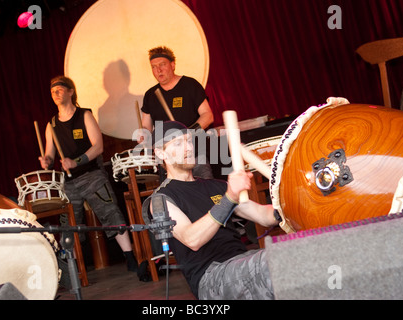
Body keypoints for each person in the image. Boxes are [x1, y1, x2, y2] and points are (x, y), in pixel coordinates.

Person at [146, 121, 280, 299]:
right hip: (211, 278)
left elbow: (263, 216)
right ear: (161, 153)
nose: (188, 148)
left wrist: (287, 204)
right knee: (274, 264)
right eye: (178, 143)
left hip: (243, 261)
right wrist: (230, 197)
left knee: (294, 255)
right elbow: (192, 239)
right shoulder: (161, 198)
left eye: (189, 141)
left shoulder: (216, 186)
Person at [39, 75, 137, 272]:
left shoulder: (84, 115)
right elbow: (49, 155)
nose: (56, 93)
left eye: (59, 89)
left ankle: (131, 258)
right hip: (69, 182)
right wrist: (46, 161)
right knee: (68, 225)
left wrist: (75, 162)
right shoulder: (51, 125)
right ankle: (73, 270)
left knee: (111, 213)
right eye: (52, 91)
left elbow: (98, 147)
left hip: (91, 175)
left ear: (70, 91)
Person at [139, 46, 214, 179]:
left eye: (162, 65)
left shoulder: (190, 85)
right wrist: (143, 134)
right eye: (154, 67)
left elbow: (207, 115)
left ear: (173, 65)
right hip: (168, 160)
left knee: (205, 194)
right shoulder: (150, 95)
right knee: (175, 197)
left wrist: (187, 133)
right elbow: (146, 126)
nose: (158, 70)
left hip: (194, 154)